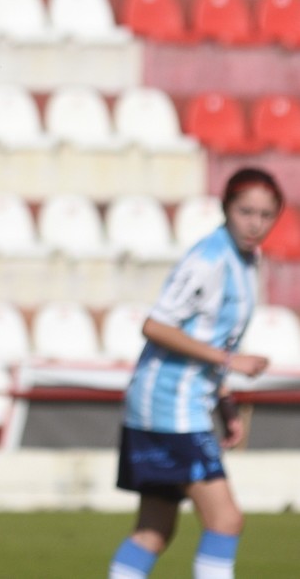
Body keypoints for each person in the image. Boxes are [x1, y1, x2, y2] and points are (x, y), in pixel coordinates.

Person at [108, 168, 281, 579]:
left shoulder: (245, 260)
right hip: (169, 404)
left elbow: (210, 334)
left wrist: (223, 400)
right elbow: (155, 325)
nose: (255, 223)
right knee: (225, 521)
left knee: (153, 531)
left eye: (265, 214)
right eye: (246, 211)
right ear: (225, 208)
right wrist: (228, 363)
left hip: (177, 403)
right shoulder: (209, 258)